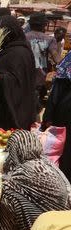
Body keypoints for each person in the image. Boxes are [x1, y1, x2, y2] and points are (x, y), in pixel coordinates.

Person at [0, 130, 71, 230]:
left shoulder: (28, 170)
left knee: (6, 192)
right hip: (60, 222)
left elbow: (1, 182)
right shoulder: (43, 161)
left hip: (49, 227)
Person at [0, 15, 36, 131]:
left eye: (0, 32)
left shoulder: (21, 53)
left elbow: (20, 83)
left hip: (9, 111)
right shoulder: (5, 49)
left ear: (9, 33)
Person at [43, 46, 71, 180]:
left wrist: (48, 116)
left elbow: (57, 89)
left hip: (65, 111)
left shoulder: (69, 59)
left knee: (64, 152)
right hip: (65, 111)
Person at [25, 12, 60, 105]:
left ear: (30, 24)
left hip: (23, 75)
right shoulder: (50, 39)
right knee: (36, 104)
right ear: (44, 25)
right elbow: (57, 60)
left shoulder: (23, 38)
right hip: (41, 78)